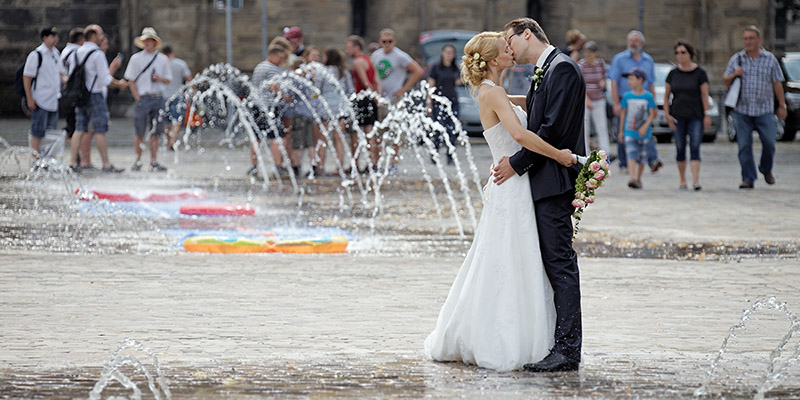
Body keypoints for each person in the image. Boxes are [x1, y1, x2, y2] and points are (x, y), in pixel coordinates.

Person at [425, 31, 576, 372]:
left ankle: (529, 333)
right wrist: (561, 156)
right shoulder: (491, 94)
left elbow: (515, 103)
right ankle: (504, 336)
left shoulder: (495, 92)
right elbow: (520, 136)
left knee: (518, 257)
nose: (512, 51)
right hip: (511, 186)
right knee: (508, 258)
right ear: (495, 60)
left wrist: (540, 96)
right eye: (506, 49)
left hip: (515, 183)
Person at [494, 17, 587, 373]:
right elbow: (538, 114)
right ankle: (553, 341)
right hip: (543, 181)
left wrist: (515, 164)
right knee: (548, 265)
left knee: (560, 264)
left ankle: (567, 349)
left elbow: (552, 130)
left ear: (527, 34)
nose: (509, 48)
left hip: (554, 182)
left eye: (510, 41)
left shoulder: (562, 69)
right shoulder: (546, 69)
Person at [723, 25, 787, 189]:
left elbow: (777, 83)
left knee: (769, 142)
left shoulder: (770, 59)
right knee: (744, 145)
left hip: (764, 109)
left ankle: (765, 168)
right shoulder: (737, 59)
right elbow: (725, 81)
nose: (748, 41)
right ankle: (748, 178)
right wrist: (734, 74)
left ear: (759, 39)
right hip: (742, 110)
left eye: (751, 38)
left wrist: (781, 105)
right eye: (745, 38)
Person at [69, 24, 126, 173]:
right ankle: (106, 165)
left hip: (81, 95)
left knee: (79, 128)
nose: (102, 37)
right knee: (100, 130)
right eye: (100, 34)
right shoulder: (98, 54)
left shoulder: (77, 51)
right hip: (95, 94)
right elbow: (105, 79)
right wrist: (119, 84)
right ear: (93, 36)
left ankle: (73, 163)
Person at [608, 30, 662, 172]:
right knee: (624, 131)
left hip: (644, 101)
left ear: (642, 43)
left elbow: (651, 83)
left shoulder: (648, 60)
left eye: (636, 40)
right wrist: (616, 103)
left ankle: (652, 160)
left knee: (645, 130)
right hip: (625, 101)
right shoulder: (619, 59)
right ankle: (624, 163)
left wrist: (654, 104)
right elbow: (614, 81)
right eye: (631, 40)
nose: (633, 43)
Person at [371, 28, 425, 170]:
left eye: (389, 41)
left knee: (395, 131)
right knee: (379, 133)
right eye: (384, 41)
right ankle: (378, 162)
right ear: (380, 42)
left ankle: (393, 163)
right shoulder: (376, 55)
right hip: (381, 98)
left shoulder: (400, 56)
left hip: (395, 99)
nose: (387, 44)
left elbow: (418, 71)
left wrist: (403, 89)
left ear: (394, 42)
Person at [664, 40, 710, 191]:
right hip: (677, 115)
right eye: (677, 53)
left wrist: (707, 114)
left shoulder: (700, 73)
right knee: (679, 147)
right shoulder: (672, 73)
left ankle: (696, 180)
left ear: (690, 54)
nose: (680, 55)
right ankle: (683, 180)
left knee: (695, 145)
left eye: (683, 52)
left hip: (695, 115)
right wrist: (667, 114)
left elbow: (705, 95)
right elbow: (666, 96)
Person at [124, 27, 172, 172]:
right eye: (145, 40)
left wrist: (159, 78)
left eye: (149, 40)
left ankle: (154, 161)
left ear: (154, 42)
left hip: (157, 97)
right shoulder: (136, 58)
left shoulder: (162, 59)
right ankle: (137, 161)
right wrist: (137, 96)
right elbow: (130, 79)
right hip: (143, 98)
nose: (147, 43)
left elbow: (168, 79)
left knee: (156, 132)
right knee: (139, 132)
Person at [251, 37, 292, 176]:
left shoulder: (260, 66)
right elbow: (274, 87)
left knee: (257, 137)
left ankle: (254, 166)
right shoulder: (271, 68)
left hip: (257, 105)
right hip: (270, 107)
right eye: (281, 58)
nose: (282, 61)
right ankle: (278, 166)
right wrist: (285, 97)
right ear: (273, 55)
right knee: (277, 136)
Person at [22, 26, 61, 157]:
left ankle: (47, 160)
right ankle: (35, 160)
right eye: (52, 36)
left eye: (56, 36)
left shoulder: (56, 54)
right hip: (40, 99)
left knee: (50, 133)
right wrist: (29, 98)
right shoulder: (36, 55)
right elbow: (27, 77)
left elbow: (58, 74)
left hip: (53, 99)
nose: (56, 38)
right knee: (37, 132)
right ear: (45, 38)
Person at [345, 35, 381, 172]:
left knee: (357, 133)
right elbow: (377, 81)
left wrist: (372, 95)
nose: (347, 50)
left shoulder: (358, 62)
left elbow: (365, 82)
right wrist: (377, 97)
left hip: (362, 99)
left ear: (356, 47)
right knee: (370, 132)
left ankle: (355, 164)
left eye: (349, 47)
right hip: (371, 99)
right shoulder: (369, 60)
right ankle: (373, 163)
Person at [618, 67, 657, 189]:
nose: (629, 82)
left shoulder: (648, 96)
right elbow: (623, 113)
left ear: (640, 80)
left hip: (644, 133)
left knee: (642, 157)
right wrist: (621, 131)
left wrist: (645, 126)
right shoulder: (626, 96)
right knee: (631, 154)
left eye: (631, 79)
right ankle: (632, 178)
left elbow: (652, 114)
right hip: (629, 131)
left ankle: (638, 178)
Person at [319, 48, 355, 175]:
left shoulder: (322, 72)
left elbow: (317, 90)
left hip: (326, 108)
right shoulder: (344, 72)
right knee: (339, 139)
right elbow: (351, 91)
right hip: (341, 108)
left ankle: (321, 166)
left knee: (323, 139)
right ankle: (339, 167)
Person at [426, 44, 462, 164]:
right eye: (446, 52)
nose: (448, 54)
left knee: (452, 130)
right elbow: (430, 85)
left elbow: (459, 81)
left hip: (452, 102)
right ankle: (434, 154)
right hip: (438, 103)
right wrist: (428, 103)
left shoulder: (455, 69)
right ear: (442, 53)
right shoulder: (436, 68)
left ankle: (450, 156)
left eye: (451, 52)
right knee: (438, 130)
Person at [578, 40, 610, 155]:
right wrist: (586, 99)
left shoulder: (601, 63)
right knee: (584, 128)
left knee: (601, 126)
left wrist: (603, 81)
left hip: (599, 99)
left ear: (595, 53)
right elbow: (580, 83)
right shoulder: (581, 65)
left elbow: (605, 76)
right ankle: (585, 153)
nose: (587, 55)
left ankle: (605, 152)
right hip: (585, 100)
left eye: (590, 53)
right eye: (586, 53)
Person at [161, 45, 193, 149]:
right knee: (177, 120)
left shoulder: (161, 64)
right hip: (177, 95)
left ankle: (169, 140)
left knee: (166, 121)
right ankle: (173, 141)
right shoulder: (180, 64)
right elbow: (189, 78)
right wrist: (191, 91)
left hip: (163, 96)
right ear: (172, 52)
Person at [60, 28, 84, 141]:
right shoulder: (76, 52)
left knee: (71, 123)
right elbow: (74, 74)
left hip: (64, 92)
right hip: (72, 92)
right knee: (74, 125)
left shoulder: (66, 50)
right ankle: (75, 155)